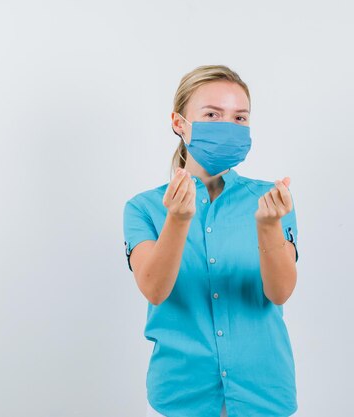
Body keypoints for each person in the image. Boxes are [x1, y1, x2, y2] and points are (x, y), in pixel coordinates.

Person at [122, 65, 300, 417]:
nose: (227, 126)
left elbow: (280, 292)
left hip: (264, 395)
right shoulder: (143, 208)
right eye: (212, 114)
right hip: (179, 396)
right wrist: (178, 219)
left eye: (239, 118)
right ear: (179, 123)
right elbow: (154, 289)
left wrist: (267, 227)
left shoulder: (271, 200)